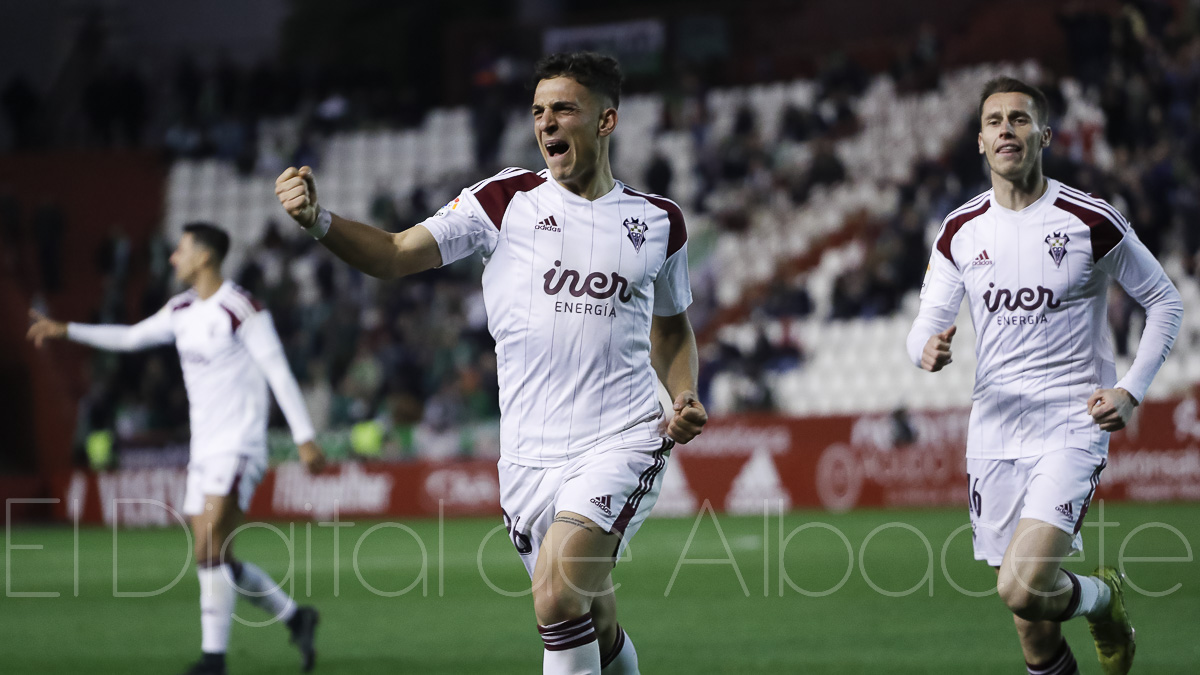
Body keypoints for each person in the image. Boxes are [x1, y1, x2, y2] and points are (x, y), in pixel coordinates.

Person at [275, 51, 707, 675]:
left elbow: (671, 329)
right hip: (527, 460)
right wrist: (319, 220)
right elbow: (396, 254)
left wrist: (684, 391)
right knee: (594, 618)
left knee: (556, 598)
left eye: (564, 109)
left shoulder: (658, 222)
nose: (547, 123)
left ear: (606, 121)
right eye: (538, 112)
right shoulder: (503, 201)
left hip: (622, 437)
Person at [907, 77, 1183, 675]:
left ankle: (1102, 598)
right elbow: (922, 326)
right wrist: (925, 349)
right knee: (1032, 628)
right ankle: (1090, 605)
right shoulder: (960, 230)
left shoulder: (1089, 220)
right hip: (995, 434)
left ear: (1045, 135)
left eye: (1021, 119)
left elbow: (1165, 301)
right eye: (995, 121)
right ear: (980, 142)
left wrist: (1131, 390)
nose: (1007, 128)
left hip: (1071, 423)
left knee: (1021, 585)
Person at [27, 222, 326, 675]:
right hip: (203, 451)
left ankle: (213, 661)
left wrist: (304, 437)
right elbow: (129, 338)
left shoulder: (241, 309)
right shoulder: (182, 309)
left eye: (181, 249)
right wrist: (66, 329)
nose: (173, 258)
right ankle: (296, 617)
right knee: (218, 557)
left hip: (239, 445)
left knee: (208, 547)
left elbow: (278, 371)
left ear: (204, 256)